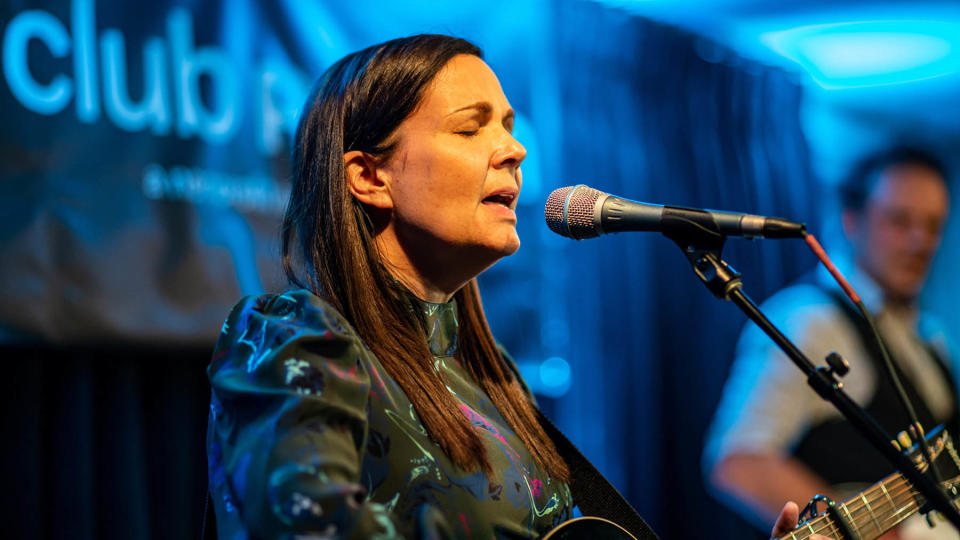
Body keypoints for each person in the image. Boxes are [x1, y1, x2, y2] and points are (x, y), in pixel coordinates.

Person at [205, 34, 821, 539]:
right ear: (369, 176)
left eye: (508, 126)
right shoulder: (291, 334)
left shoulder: (491, 376)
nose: (514, 150)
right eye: (470, 128)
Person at [704, 146, 955, 538]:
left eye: (933, 225)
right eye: (900, 220)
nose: (919, 241)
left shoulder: (931, 338)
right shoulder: (809, 320)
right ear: (852, 220)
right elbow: (739, 463)